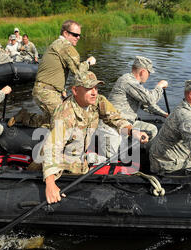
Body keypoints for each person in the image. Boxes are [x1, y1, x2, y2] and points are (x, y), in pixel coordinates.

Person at [42, 71, 149, 204]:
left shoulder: (98, 101)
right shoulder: (65, 115)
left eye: (96, 88)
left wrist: (131, 131)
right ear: (75, 90)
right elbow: (52, 147)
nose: (94, 92)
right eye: (88, 88)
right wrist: (50, 183)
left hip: (82, 159)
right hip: (65, 168)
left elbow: (114, 118)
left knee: (111, 163)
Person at [9, 20, 96, 128]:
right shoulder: (65, 46)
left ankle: (24, 117)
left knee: (49, 120)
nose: (78, 37)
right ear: (65, 33)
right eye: (75, 35)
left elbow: (53, 71)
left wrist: (62, 90)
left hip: (45, 90)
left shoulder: (56, 44)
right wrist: (88, 62)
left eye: (79, 35)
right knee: (65, 118)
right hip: (46, 92)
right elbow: (78, 72)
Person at [96, 56, 169, 158]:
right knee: (110, 158)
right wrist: (159, 87)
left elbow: (147, 105)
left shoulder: (135, 84)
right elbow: (150, 99)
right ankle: (120, 154)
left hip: (129, 122)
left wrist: (164, 114)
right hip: (114, 124)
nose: (149, 76)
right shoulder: (127, 81)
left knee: (152, 129)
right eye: (149, 73)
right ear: (143, 72)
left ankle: (137, 155)